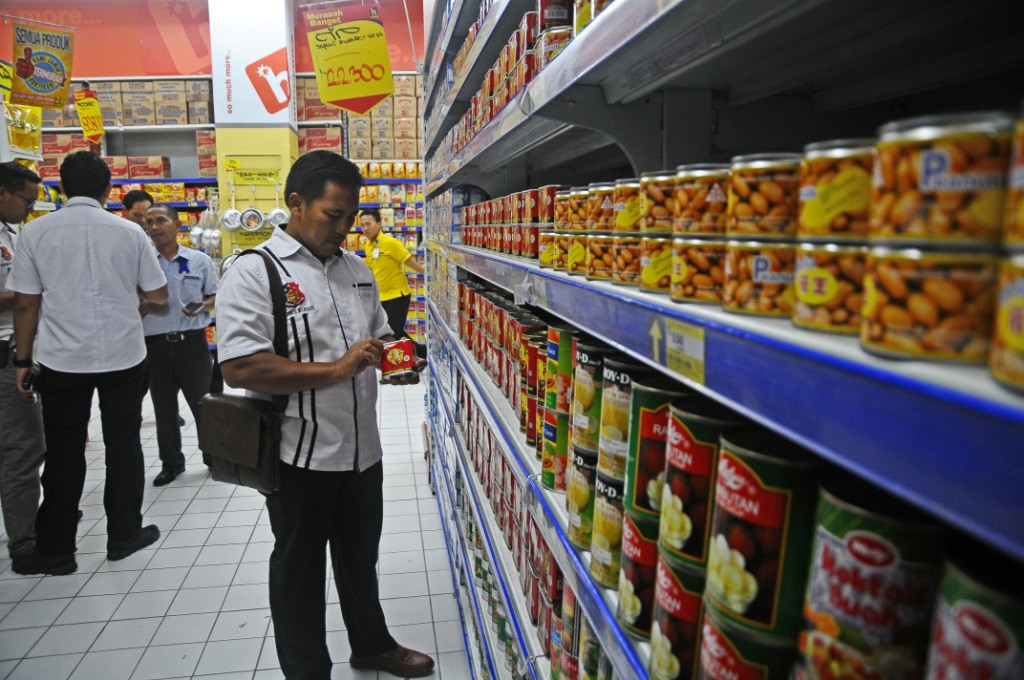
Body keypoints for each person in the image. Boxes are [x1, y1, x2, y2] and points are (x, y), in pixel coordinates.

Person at [215, 150, 433, 679]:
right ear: (296, 203)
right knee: (299, 569)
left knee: (360, 559)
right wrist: (337, 368)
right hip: (298, 454)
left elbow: (380, 337)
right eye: (333, 215)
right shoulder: (255, 271)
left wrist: (400, 358)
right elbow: (239, 367)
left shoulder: (357, 270)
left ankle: (372, 645)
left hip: (362, 450)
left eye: (351, 216)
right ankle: (307, 670)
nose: (344, 227)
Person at [9, 151, 168, 576]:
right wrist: (127, 299)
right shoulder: (130, 232)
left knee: (63, 451)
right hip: (124, 356)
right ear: (108, 190)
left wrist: (22, 360)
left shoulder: (34, 233)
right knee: (124, 444)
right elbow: (159, 295)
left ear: (61, 187)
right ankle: (124, 535)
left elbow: (26, 304)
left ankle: (57, 550)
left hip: (61, 359)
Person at [140, 203, 217, 485]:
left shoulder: (199, 261)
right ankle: (171, 463)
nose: (154, 227)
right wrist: (148, 305)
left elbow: (215, 295)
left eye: (160, 220)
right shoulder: (141, 264)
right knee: (164, 409)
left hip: (192, 344)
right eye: (149, 222)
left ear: (178, 225)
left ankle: (213, 459)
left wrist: (202, 306)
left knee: (203, 405)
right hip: (155, 345)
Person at [0, 161, 46, 573]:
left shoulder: (14, 234)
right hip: (5, 358)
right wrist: (29, 294)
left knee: (26, 446)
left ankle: (29, 526)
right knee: (21, 450)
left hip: (17, 354)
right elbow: (19, 295)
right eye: (25, 201)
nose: (29, 209)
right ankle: (25, 545)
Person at [359, 209, 425, 357]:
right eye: (362, 225)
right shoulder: (368, 245)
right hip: (381, 296)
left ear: (379, 223)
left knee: (393, 331)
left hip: (397, 295)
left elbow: (408, 260)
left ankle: (414, 357)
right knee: (392, 331)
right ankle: (418, 354)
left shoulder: (390, 242)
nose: (365, 228)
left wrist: (426, 274)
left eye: (368, 224)